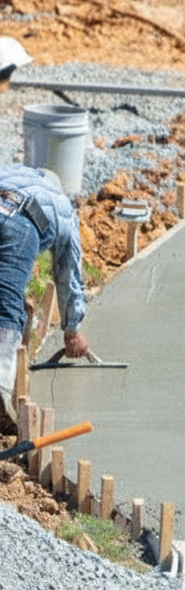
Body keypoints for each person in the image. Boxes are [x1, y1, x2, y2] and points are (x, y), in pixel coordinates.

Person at [0, 164, 90, 433]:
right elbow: (67, 275)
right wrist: (72, 330)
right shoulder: (61, 204)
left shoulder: (11, 172)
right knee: (7, 309)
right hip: (20, 222)